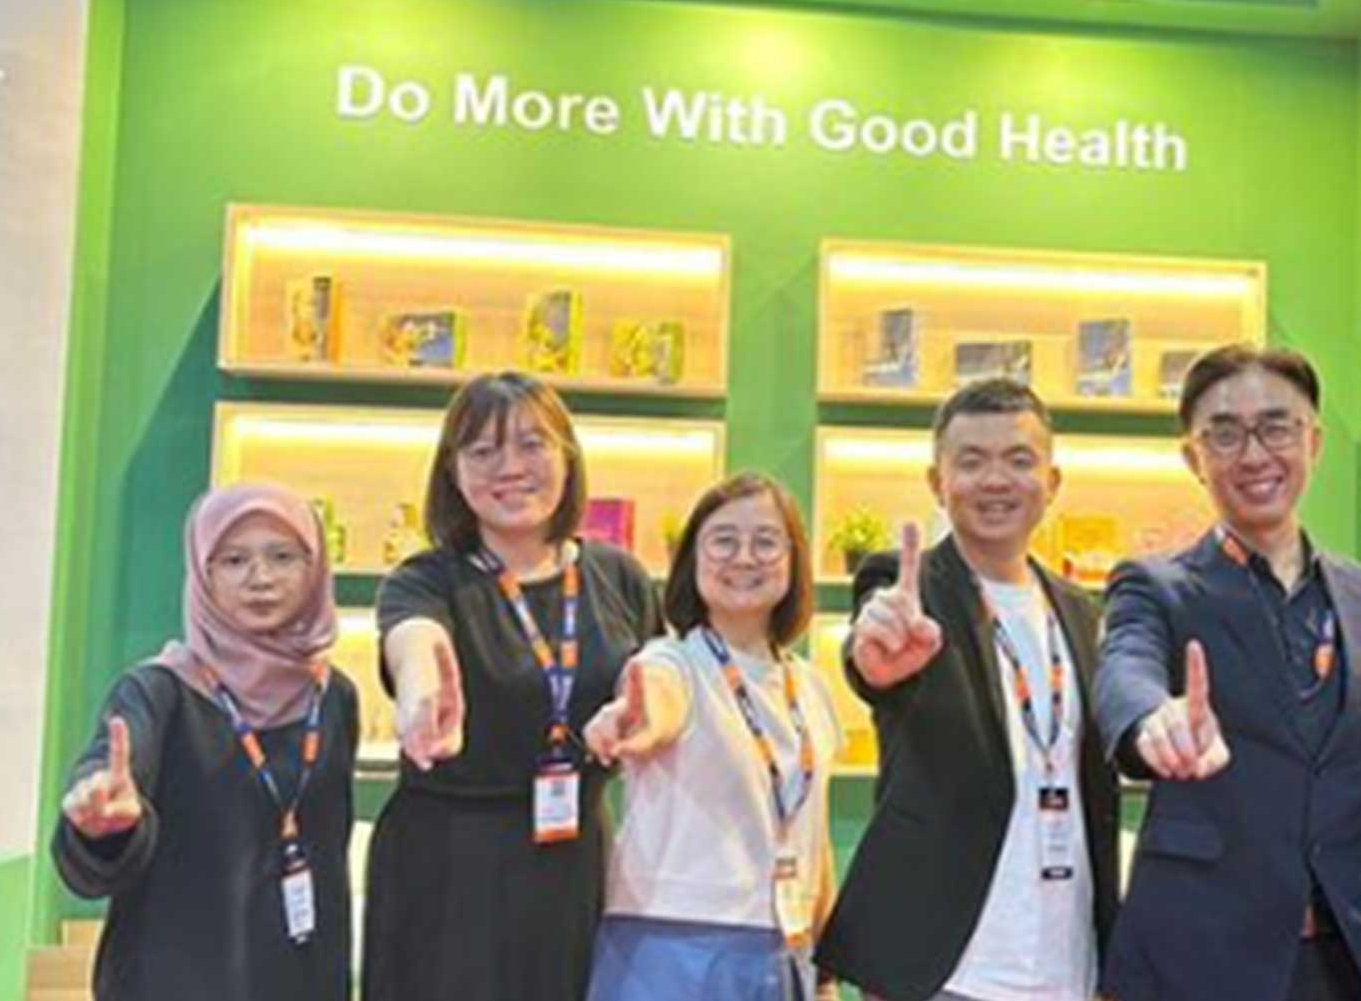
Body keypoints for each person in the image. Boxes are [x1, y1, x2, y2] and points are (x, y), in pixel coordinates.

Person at [1095, 344, 1361, 1001]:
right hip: (1199, 967)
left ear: (1313, 441)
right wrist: (1151, 720)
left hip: (1354, 964)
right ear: (1193, 458)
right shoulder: (1156, 588)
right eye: (1224, 434)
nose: (1254, 454)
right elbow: (1126, 666)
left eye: (1276, 427)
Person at [363, 372, 662, 1001]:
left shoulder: (620, 577)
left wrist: (646, 718)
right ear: (452, 471)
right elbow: (416, 644)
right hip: (451, 862)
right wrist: (422, 699)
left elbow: (659, 682)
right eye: (483, 450)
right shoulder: (426, 579)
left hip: (574, 855)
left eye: (533, 444)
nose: (511, 468)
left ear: (567, 457)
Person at [818, 378, 1118, 1001]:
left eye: (1019, 460)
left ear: (1052, 482)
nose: (996, 480)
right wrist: (873, 656)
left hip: (1067, 964)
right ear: (937, 483)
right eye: (972, 462)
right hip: (944, 967)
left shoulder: (1081, 611)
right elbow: (871, 656)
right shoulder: (907, 587)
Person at [54, 483, 356, 1000]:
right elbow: (111, 771)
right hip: (172, 980)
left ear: (316, 567)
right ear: (203, 573)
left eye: (283, 557)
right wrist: (99, 822)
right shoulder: (158, 691)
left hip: (299, 975)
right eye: (234, 560)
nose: (260, 578)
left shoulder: (333, 697)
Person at [583, 472, 841, 1000]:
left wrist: (825, 970)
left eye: (766, 542)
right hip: (668, 948)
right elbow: (655, 706)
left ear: (793, 561)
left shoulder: (811, 687)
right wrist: (630, 721)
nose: (744, 558)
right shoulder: (671, 663)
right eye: (723, 541)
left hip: (786, 947)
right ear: (692, 560)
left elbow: (813, 837)